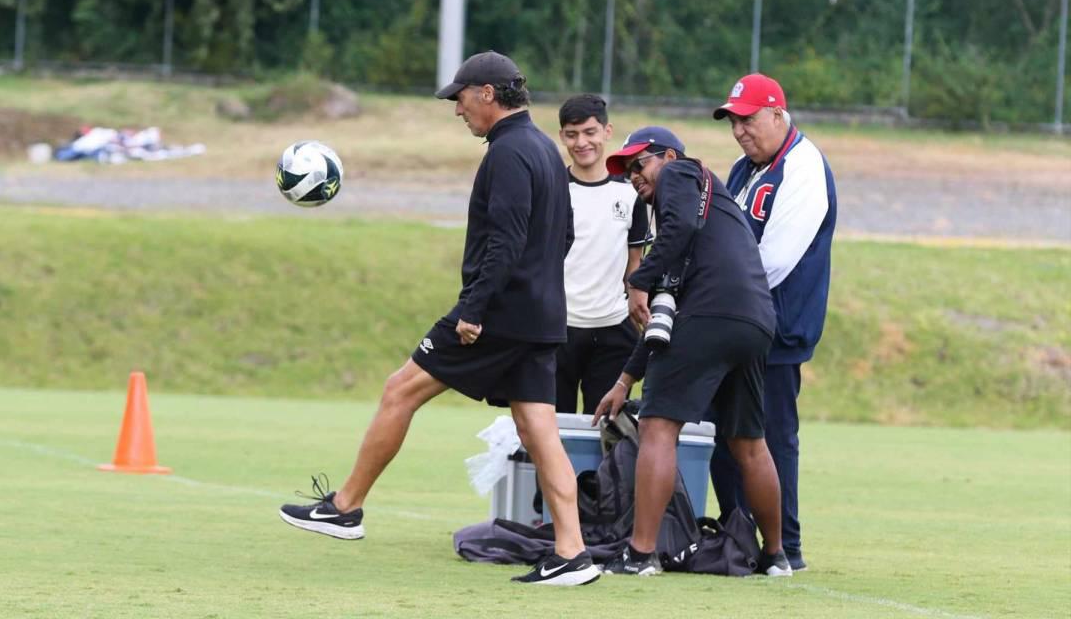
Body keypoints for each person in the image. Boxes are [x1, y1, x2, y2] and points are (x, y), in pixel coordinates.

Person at [279, 51, 600, 587]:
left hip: (496, 315)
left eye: (461, 97)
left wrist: (475, 308)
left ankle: (345, 507)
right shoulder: (545, 149)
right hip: (542, 316)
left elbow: (506, 240)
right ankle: (572, 552)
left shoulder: (507, 153)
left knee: (400, 388)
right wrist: (534, 291)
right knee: (539, 430)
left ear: (488, 94)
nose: (457, 109)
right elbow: (562, 237)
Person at [592, 126, 793, 577]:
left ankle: (640, 555)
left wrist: (637, 280)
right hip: (754, 321)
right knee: (748, 442)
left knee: (659, 426)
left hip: (711, 314)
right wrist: (626, 379)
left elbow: (677, 234)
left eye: (639, 164)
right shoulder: (698, 220)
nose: (634, 177)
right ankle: (776, 556)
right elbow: (663, 326)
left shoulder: (681, 174)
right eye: (626, 172)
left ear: (666, 155)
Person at [708, 73, 837, 573]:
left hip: (777, 326)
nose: (740, 129)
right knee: (723, 432)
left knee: (771, 436)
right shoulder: (744, 169)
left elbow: (774, 260)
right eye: (733, 121)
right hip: (738, 320)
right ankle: (736, 532)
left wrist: (710, 289)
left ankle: (787, 547)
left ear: (779, 114)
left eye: (749, 118)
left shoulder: (802, 167)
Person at [555, 94, 649, 413]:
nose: (582, 142)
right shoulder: (551, 187)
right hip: (557, 330)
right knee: (552, 435)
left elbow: (634, 268)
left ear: (607, 132)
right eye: (572, 134)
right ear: (562, 137)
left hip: (613, 332)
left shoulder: (631, 192)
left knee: (605, 434)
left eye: (590, 132)